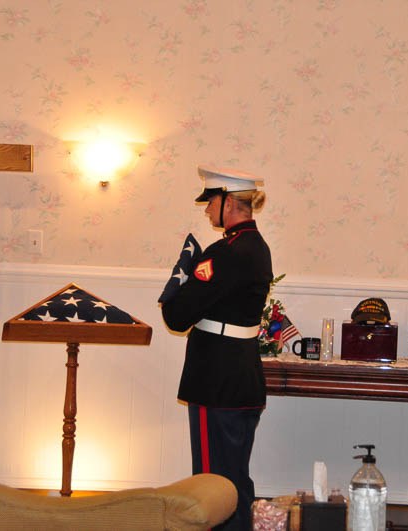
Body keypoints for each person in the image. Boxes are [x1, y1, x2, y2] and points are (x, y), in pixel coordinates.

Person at [161, 165, 273, 530]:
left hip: (216, 380)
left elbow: (177, 316)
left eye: (211, 201)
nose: (208, 210)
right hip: (241, 376)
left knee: (214, 484)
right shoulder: (258, 247)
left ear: (229, 202)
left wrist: (179, 281)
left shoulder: (224, 253)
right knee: (235, 477)